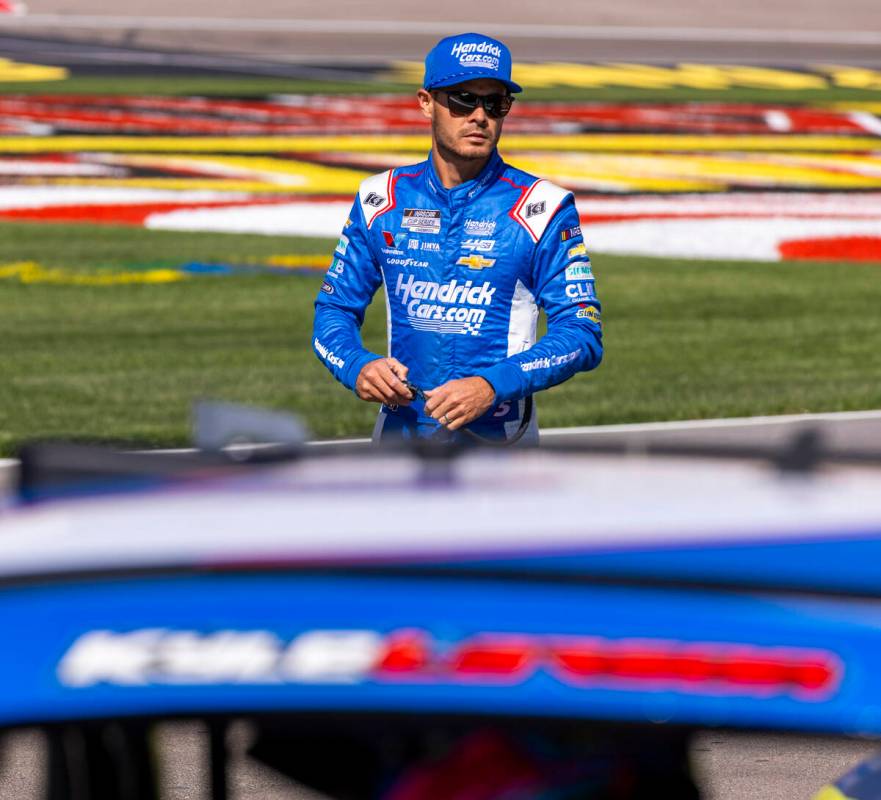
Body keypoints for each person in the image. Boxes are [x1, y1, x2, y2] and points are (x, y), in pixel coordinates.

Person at [313, 32, 602, 444]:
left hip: (501, 445)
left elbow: (582, 333)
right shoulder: (380, 199)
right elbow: (333, 309)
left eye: (495, 102)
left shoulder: (543, 207)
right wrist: (356, 365)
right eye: (464, 99)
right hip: (401, 437)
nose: (480, 115)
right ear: (426, 102)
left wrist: (492, 386)